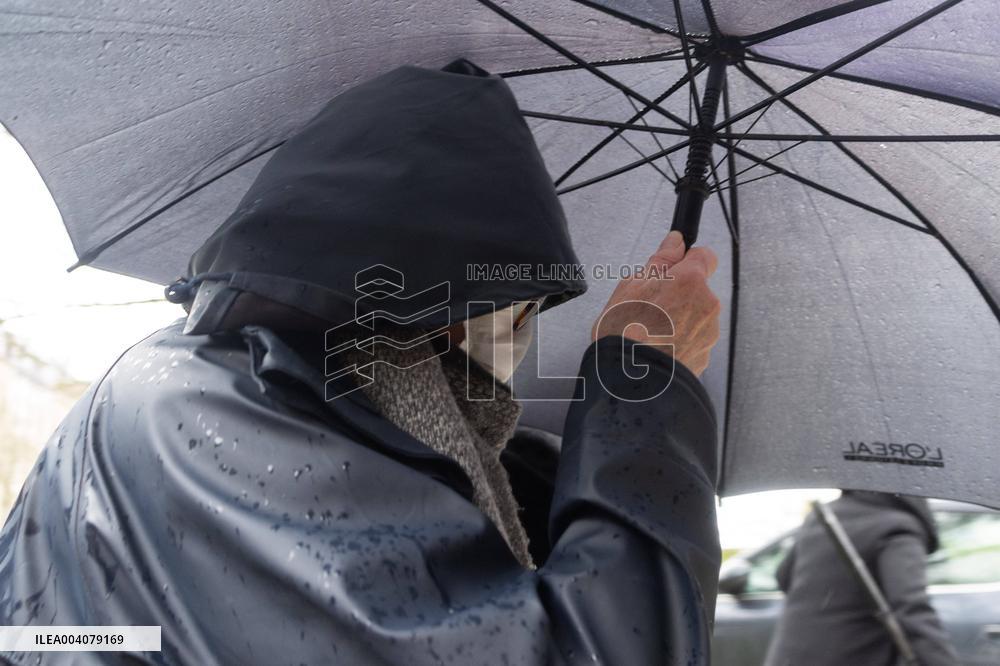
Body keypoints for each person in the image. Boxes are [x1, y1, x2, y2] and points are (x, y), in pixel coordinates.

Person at [0, 59, 722, 665]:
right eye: (519, 301)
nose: (522, 332)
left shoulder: (234, 396)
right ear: (449, 306)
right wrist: (641, 383)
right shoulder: (214, 415)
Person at [764, 491, 959, 666]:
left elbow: (783, 577)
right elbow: (911, 608)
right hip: (850, 656)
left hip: (791, 655)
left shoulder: (823, 515)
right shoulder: (897, 526)